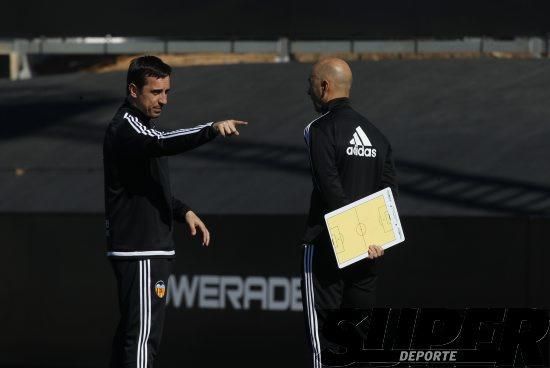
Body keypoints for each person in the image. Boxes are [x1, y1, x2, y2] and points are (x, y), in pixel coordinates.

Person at [103, 55, 247, 368]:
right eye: (156, 92)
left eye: (167, 92)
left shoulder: (141, 126)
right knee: (141, 340)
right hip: (140, 250)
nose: (164, 100)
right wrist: (210, 129)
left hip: (149, 248)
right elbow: (162, 143)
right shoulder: (127, 127)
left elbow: (146, 185)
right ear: (133, 90)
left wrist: (182, 211)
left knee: (135, 336)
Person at [301, 58, 398, 367]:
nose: (308, 90)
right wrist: (373, 240)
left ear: (324, 86)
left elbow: (329, 188)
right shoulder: (378, 137)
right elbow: (389, 195)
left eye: (311, 83)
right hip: (370, 253)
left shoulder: (318, 129)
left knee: (325, 344)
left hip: (327, 248)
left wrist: (354, 240)